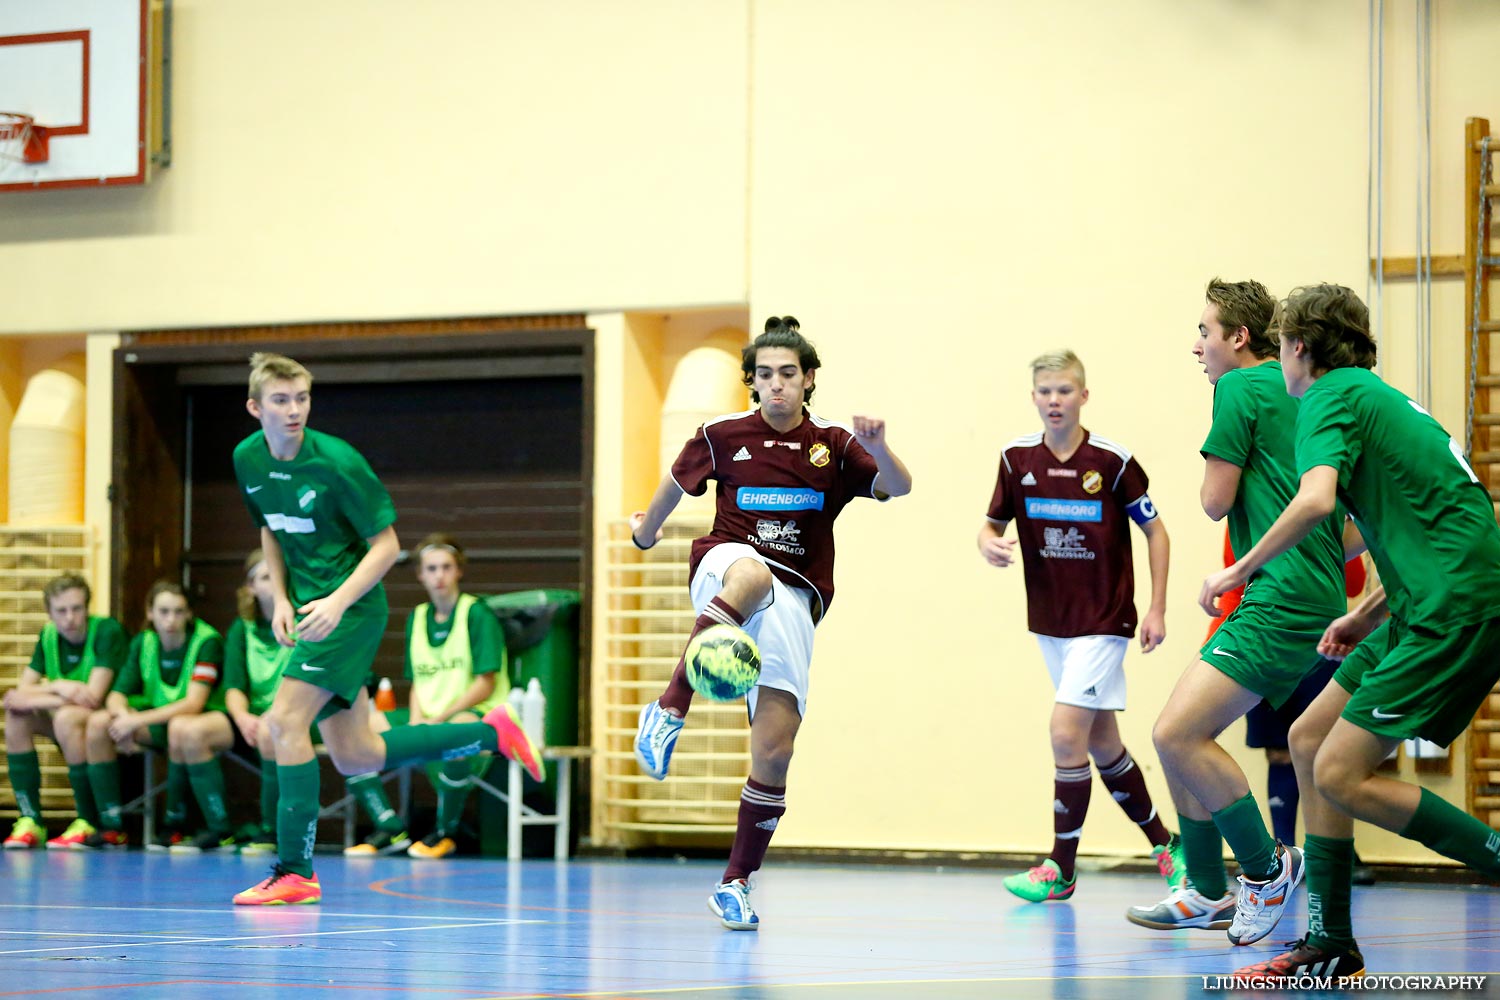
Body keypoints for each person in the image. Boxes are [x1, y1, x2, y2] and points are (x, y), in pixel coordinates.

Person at [1201, 283, 1500, 982]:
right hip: (1419, 600)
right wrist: (1362, 613)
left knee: (1339, 770)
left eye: (1281, 349)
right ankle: (1331, 938)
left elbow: (1317, 500)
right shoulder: (1375, 397)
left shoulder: (1328, 396)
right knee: (1307, 740)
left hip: (1450, 608)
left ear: (1299, 348)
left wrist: (1238, 570)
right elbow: (1415, 520)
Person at [230, 352, 543, 905]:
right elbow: (271, 532)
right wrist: (279, 597)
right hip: (308, 611)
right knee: (358, 756)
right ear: (256, 407)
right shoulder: (248, 460)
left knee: (283, 722)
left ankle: (296, 871)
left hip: (349, 611)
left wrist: (334, 601)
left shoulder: (338, 462)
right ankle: (491, 733)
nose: (294, 410)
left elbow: (389, 546)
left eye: (302, 397)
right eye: (281, 400)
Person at [631, 316, 911, 930]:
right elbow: (672, 491)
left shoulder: (833, 445)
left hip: (798, 596)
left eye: (788, 374)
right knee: (752, 575)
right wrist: (644, 534)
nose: (776, 385)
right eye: (764, 376)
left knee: (776, 750)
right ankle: (670, 708)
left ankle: (735, 883)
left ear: (808, 380)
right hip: (726, 567)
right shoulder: (721, 435)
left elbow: (899, 487)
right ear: (752, 383)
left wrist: (881, 444)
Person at [1134, 279, 1357, 942]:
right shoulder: (1305, 397)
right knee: (1178, 733)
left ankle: (1265, 869)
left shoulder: (1238, 389)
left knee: (1176, 735)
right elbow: (1345, 518)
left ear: (1239, 338)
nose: (1197, 345)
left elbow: (1213, 499)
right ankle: (1205, 887)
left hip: (1280, 595)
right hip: (1309, 591)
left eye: (1206, 331)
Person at [978, 349, 1176, 903]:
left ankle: (1061, 868)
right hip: (1051, 623)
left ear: (1083, 396)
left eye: (1065, 391)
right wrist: (989, 544)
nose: (1054, 401)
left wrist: (1157, 608)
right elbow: (990, 524)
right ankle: (1167, 845)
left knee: (1066, 734)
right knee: (1102, 743)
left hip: (1104, 619)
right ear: (1034, 397)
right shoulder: (1016, 459)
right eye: (1045, 392)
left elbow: (1156, 533)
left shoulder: (1112, 462)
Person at [82, 581, 231, 851]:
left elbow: (194, 703)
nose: (171, 619)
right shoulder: (144, 641)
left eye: (178, 611)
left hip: (202, 720)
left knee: (180, 726)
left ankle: (178, 825)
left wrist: (134, 721)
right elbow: (116, 695)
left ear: (189, 614)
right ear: (150, 612)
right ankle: (111, 826)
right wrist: (122, 719)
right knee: (97, 723)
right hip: (157, 722)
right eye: (163, 611)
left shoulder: (207, 642)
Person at [3, 574, 129, 850]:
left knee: (67, 716)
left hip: (108, 719)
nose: (70, 617)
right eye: (61, 611)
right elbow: (19, 694)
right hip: (68, 715)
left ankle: (87, 820)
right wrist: (61, 686)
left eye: (77, 608)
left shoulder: (106, 631)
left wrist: (43, 695)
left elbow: (93, 697)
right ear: (50, 613)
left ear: (87, 608)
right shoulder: (48, 635)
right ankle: (31, 820)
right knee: (16, 718)